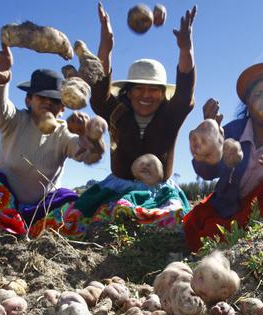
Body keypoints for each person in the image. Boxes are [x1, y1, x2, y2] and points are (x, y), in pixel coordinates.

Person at [0, 38, 104, 236]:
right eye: (42, 97)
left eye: (55, 100)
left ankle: (32, 230)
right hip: (2, 202)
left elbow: (85, 154)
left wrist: (90, 135)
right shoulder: (14, 120)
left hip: (41, 209)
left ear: (63, 108)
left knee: (70, 200)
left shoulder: (63, 132)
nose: (48, 103)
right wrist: (1, 80)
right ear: (28, 99)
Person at [56, 3, 198, 234]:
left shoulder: (170, 115)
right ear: (128, 92)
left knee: (168, 224)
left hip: (159, 191)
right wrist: (107, 45)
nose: (145, 95)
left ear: (162, 95)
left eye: (153, 90)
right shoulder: (117, 112)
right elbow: (101, 92)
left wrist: (186, 49)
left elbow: (184, 93)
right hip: (117, 189)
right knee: (85, 221)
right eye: (138, 89)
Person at [183, 62, 263, 252]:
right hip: (229, 209)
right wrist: (207, 145)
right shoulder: (233, 130)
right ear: (248, 103)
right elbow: (208, 173)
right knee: (195, 225)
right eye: (258, 95)